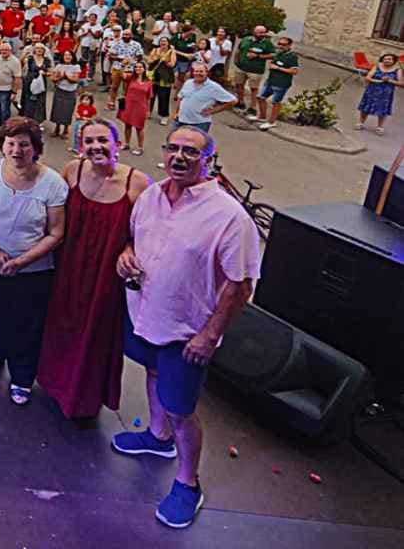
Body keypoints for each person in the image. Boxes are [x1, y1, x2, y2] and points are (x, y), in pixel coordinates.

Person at [112, 127, 261, 529]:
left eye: (190, 152)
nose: (179, 157)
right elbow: (133, 239)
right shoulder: (151, 196)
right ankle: (157, 439)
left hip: (187, 332)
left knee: (181, 410)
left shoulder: (228, 216)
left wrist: (210, 335)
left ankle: (187, 482)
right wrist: (126, 254)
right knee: (153, 372)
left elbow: (240, 283)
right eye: (173, 148)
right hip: (146, 315)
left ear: (208, 160)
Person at [38, 119, 150, 421]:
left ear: (118, 144)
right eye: (88, 141)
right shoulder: (72, 171)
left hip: (105, 275)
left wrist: (129, 249)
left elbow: (149, 233)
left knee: (96, 333)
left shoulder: (137, 183)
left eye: (102, 140)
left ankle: (84, 401)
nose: (95, 147)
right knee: (61, 323)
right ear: (80, 146)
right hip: (68, 266)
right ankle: (53, 384)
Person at [0, 116, 67, 405]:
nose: (17, 150)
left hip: (33, 269)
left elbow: (56, 233)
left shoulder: (52, 184)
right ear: (2, 145)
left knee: (26, 323)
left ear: (35, 148)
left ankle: (22, 377)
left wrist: (21, 262)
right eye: (11, 143)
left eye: (24, 144)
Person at [172, 61, 237, 142]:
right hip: (180, 120)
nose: (198, 73)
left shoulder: (214, 87)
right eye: (196, 71)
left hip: (199, 123)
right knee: (174, 142)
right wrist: (176, 113)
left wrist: (213, 111)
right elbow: (180, 98)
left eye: (201, 71)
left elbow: (232, 101)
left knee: (196, 146)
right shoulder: (188, 82)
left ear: (207, 73)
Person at [256, 36, 299, 130]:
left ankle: (272, 122)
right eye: (279, 44)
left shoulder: (292, 56)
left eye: (284, 44)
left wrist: (278, 68)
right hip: (270, 81)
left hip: (281, 84)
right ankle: (262, 117)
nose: (280, 46)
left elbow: (294, 71)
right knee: (260, 97)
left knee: (276, 102)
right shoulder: (278, 53)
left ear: (289, 45)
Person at [233, 25, 275, 116]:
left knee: (253, 89)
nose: (262, 34)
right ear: (254, 32)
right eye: (260, 32)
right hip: (241, 67)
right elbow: (239, 50)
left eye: (264, 32)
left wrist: (258, 56)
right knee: (239, 85)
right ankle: (240, 102)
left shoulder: (267, 43)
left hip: (255, 70)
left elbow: (273, 55)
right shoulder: (246, 39)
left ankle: (252, 107)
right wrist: (236, 61)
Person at [356, 52, 402, 134]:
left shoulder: (397, 70)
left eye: (389, 59)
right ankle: (360, 123)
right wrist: (379, 81)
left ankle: (380, 127)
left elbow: (401, 83)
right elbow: (368, 77)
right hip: (371, 90)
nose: (387, 60)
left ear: (393, 61)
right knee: (365, 107)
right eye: (385, 59)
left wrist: (389, 80)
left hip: (385, 94)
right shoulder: (377, 66)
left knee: (382, 110)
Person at [0, 40, 23, 130]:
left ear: (10, 51)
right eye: (2, 50)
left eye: (5, 50)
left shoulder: (15, 61)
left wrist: (14, 92)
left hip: (6, 90)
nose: (3, 52)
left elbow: (17, 78)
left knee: (5, 110)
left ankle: (6, 127)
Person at [119, 61, 152, 155]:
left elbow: (149, 98)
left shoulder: (148, 82)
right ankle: (126, 143)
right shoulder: (131, 78)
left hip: (141, 107)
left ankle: (140, 147)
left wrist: (148, 111)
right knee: (127, 125)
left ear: (144, 69)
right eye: (136, 67)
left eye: (140, 67)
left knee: (139, 127)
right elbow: (122, 74)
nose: (138, 69)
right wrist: (123, 65)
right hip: (129, 105)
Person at [49, 50, 80, 141]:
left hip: (70, 92)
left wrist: (65, 76)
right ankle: (57, 128)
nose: (67, 57)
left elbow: (75, 79)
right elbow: (54, 79)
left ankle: (66, 129)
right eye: (65, 55)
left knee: (68, 111)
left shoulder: (76, 66)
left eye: (69, 55)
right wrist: (61, 77)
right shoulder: (59, 66)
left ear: (73, 56)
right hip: (59, 90)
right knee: (57, 110)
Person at [19, 43, 51, 124]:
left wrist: (46, 73)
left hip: (41, 82)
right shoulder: (30, 58)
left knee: (40, 101)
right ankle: (27, 119)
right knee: (29, 100)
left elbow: (50, 71)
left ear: (44, 50)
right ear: (34, 50)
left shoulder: (47, 60)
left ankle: (38, 121)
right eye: (37, 48)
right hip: (30, 81)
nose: (39, 50)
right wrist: (24, 54)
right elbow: (21, 62)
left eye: (41, 48)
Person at [70, 92, 97, 156]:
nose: (85, 101)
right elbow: (76, 113)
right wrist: (77, 115)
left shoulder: (92, 109)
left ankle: (81, 150)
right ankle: (75, 147)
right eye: (83, 99)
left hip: (85, 124)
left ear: (91, 101)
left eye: (87, 100)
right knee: (76, 135)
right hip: (78, 123)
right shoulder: (80, 106)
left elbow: (93, 118)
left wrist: (86, 119)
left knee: (82, 137)